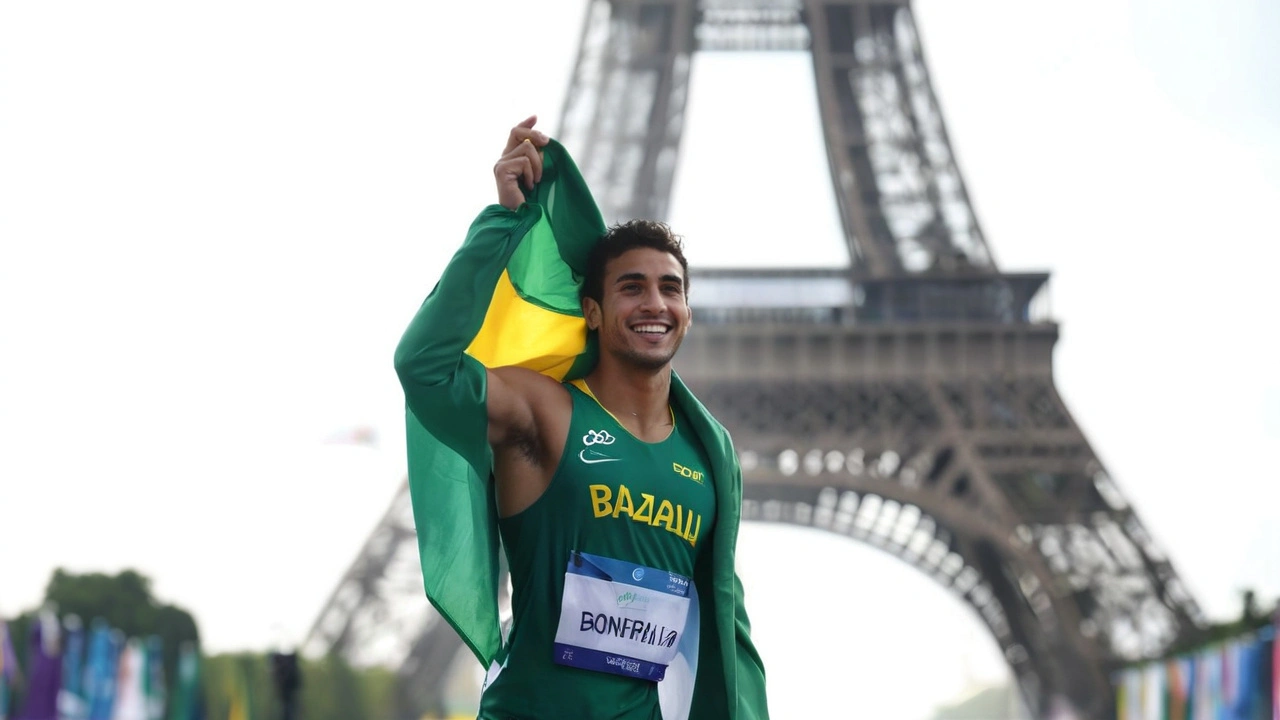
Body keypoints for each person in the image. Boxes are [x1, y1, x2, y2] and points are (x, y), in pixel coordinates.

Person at [395, 116, 768, 719]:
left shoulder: (707, 452)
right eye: (632, 287)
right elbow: (425, 366)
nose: (655, 303)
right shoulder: (545, 411)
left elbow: (727, 626)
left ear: (687, 314)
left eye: (671, 289)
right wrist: (503, 225)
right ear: (591, 311)